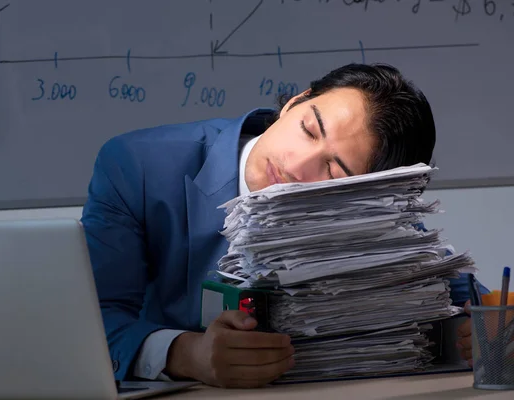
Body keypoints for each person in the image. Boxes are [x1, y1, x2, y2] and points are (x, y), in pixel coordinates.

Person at [80, 63, 486, 389]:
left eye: (332, 170)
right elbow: (92, 322)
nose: (294, 165)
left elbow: (459, 291)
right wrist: (186, 355)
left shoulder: (360, 210)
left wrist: (487, 327)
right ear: (295, 102)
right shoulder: (137, 166)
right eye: (309, 129)